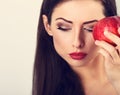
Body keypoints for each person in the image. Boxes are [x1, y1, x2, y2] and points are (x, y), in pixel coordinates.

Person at [32, 0, 120, 95]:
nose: (77, 43)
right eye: (64, 27)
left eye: (91, 28)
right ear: (47, 25)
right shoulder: (49, 83)